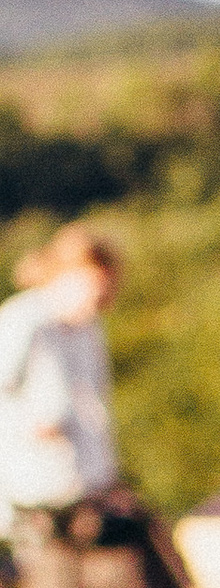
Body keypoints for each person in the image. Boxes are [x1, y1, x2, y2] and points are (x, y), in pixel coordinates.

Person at [0, 223, 121, 532]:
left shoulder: (90, 330)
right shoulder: (24, 320)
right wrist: (30, 423)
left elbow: (95, 407)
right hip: (34, 496)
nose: (98, 293)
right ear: (63, 274)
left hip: (87, 490)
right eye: (91, 281)